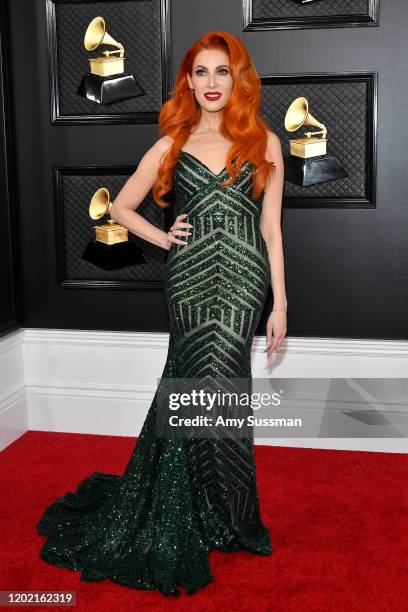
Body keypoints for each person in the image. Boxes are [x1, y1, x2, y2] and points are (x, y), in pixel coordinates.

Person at [36, 30, 287, 597]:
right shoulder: (173, 142)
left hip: (245, 280)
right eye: (201, 73)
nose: (212, 83)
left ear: (238, 78)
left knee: (227, 390)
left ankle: (228, 512)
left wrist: (282, 303)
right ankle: (196, 507)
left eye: (222, 71)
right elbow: (122, 207)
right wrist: (166, 237)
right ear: (189, 82)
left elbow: (271, 229)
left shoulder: (265, 141)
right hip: (190, 281)